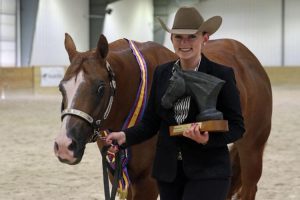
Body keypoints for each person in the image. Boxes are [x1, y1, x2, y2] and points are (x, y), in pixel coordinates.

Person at [106, 6, 245, 200]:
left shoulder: (222, 74)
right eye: (178, 37)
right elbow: (150, 123)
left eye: (191, 37)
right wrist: (124, 136)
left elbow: (237, 127)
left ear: (205, 38)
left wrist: (208, 140)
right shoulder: (162, 73)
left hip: (209, 171)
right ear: (171, 40)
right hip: (169, 172)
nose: (184, 43)